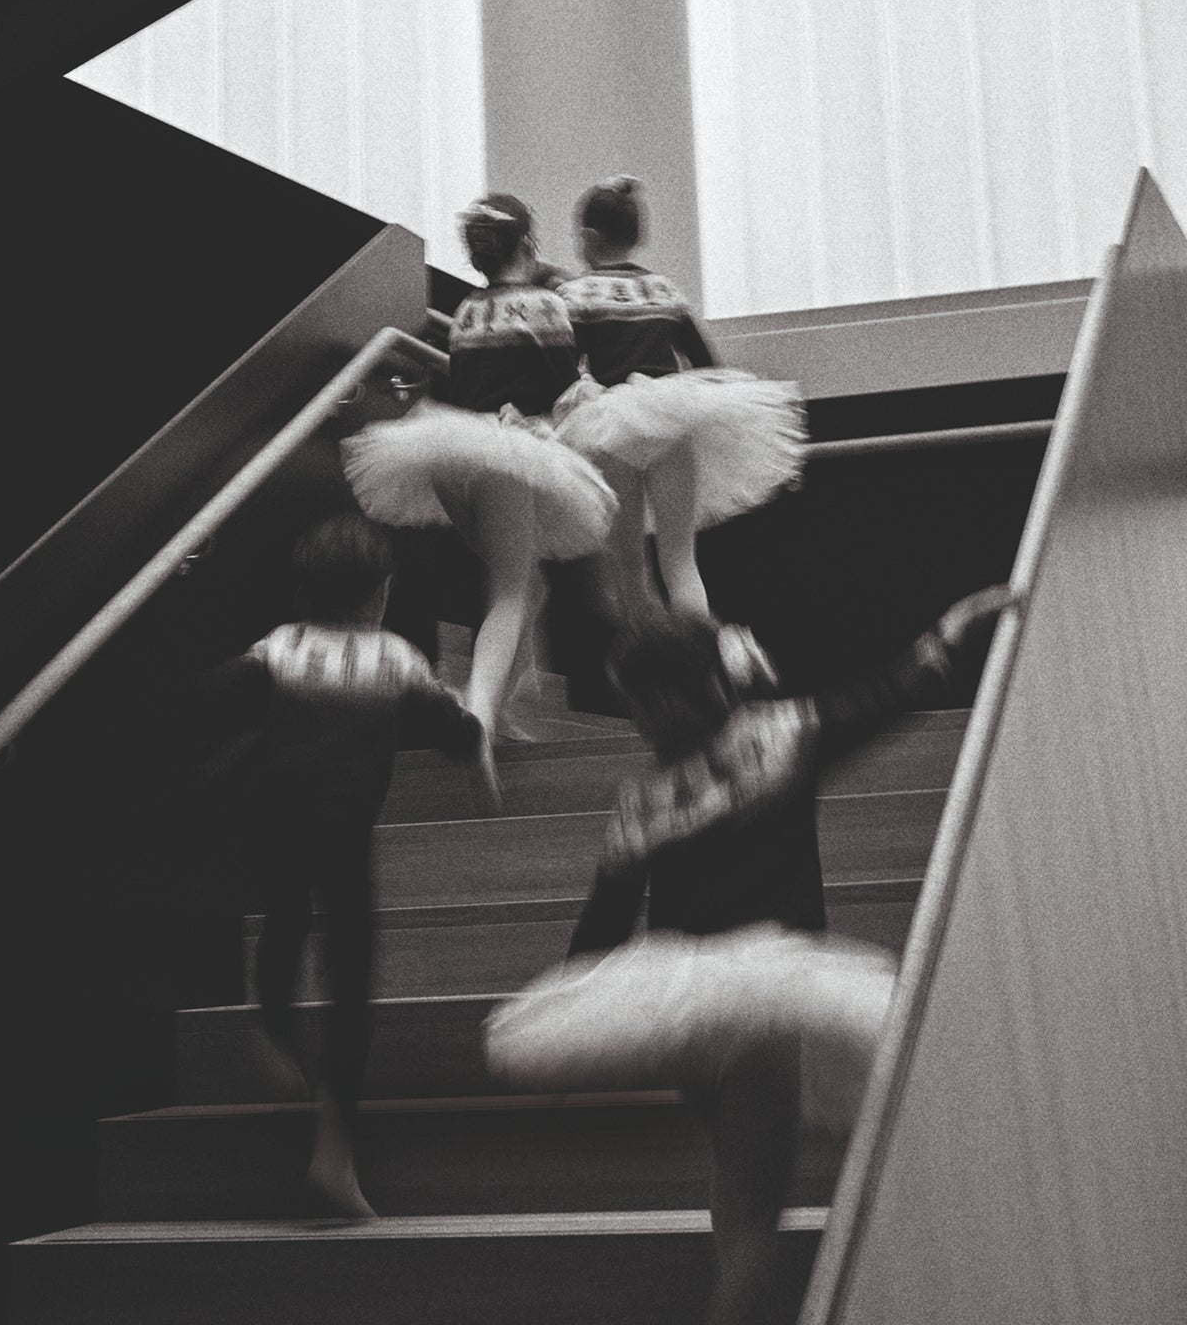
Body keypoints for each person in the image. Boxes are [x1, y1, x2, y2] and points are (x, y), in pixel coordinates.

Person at [486, 585, 1015, 1324]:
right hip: (767, 1003)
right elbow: (890, 695)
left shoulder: (645, 795)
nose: (639, 720)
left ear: (687, 690)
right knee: (750, 1223)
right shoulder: (783, 735)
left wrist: (571, 1005)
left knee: (736, 1201)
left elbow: (602, 930)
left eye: (643, 702)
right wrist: (952, 629)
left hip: (679, 1008)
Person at [193, 512, 485, 1219]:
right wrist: (470, 729)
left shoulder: (282, 645)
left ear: (304, 590)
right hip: (344, 836)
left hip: (272, 818)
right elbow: (455, 731)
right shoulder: (395, 658)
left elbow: (215, 695)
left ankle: (269, 1027)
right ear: (380, 591)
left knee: (286, 921)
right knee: (350, 981)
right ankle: (334, 1150)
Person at [342, 195, 617, 746]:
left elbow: (467, 387)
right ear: (528, 244)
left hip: (448, 455)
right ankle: (479, 717)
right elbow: (564, 390)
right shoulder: (544, 305)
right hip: (502, 452)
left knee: (527, 587)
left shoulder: (469, 308)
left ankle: (501, 708)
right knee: (512, 591)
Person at [553, 175, 805, 622]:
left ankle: (651, 673)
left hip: (612, 425)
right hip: (673, 417)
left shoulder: (575, 295)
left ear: (589, 238)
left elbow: (561, 366)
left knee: (630, 567)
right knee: (680, 561)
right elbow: (708, 364)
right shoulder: (665, 291)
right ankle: (698, 669)